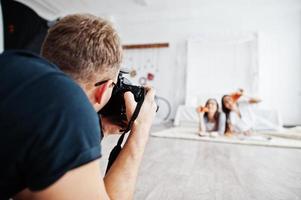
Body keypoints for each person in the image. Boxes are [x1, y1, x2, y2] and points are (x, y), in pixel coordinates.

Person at [0, 14, 157, 199]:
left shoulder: (13, 64)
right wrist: (141, 130)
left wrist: (102, 128)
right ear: (104, 89)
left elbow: (33, 189)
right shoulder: (68, 105)